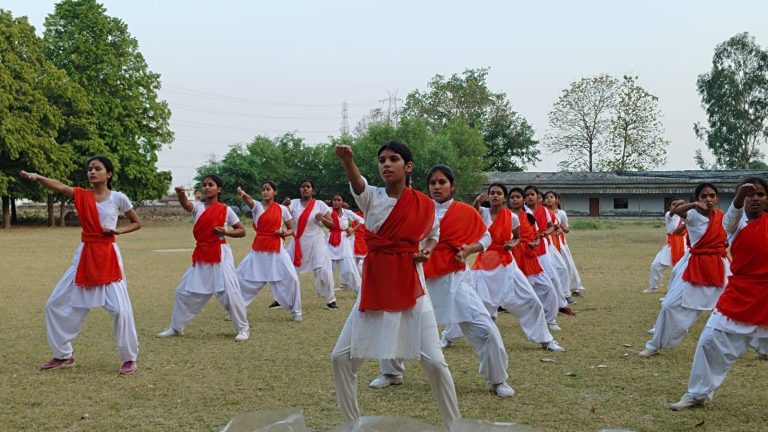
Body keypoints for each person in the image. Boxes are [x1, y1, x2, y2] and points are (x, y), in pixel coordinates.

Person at [330, 141, 460, 428]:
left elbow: (433, 233)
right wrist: (348, 161)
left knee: (436, 364)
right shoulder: (372, 198)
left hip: (412, 288)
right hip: (375, 288)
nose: (386, 164)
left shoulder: (424, 204)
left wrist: (426, 248)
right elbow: (358, 183)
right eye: (382, 160)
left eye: (394, 159)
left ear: (408, 166)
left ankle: (454, 425)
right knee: (340, 359)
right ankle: (351, 425)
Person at [369, 166, 516, 397]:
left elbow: (485, 236)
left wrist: (470, 249)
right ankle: (390, 372)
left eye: (442, 182)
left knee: (484, 328)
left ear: (452, 185)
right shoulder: (415, 209)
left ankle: (498, 380)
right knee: (395, 323)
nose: (437, 186)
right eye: (433, 183)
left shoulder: (466, 212)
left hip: (453, 279)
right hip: (416, 278)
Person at [21, 156, 141, 375]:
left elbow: (136, 222)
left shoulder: (118, 198)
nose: (92, 172)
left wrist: (118, 231)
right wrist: (38, 177)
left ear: (109, 174)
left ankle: (129, 358)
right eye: (89, 169)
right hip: (85, 254)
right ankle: (63, 354)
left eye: (98, 168)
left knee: (121, 310)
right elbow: (59, 185)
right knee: (54, 304)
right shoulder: (82, 195)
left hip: (108, 255)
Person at [670, 178, 768, 409]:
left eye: (760, 194)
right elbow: (731, 219)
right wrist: (738, 199)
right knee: (709, 341)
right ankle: (698, 394)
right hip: (741, 292)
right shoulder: (734, 222)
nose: (755, 198)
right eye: (749, 194)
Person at [442, 184, 565, 352]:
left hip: (507, 263)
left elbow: (516, 237)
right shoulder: (482, 213)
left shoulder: (512, 217)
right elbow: (473, 214)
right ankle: (447, 337)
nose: (495, 196)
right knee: (469, 304)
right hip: (484, 264)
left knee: (531, 300)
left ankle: (545, 339)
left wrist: (511, 244)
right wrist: (477, 200)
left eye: (499, 193)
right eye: (492, 193)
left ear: (504, 197)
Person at [639, 183, 730, 358]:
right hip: (696, 265)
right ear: (698, 199)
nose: (708, 199)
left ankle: (761, 345)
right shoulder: (693, 215)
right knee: (668, 305)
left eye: (712, 196)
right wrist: (694, 205)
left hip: (720, 265)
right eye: (703, 196)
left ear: (717, 199)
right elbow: (678, 211)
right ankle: (654, 344)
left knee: (739, 304)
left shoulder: (722, 217)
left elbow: (727, 238)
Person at [157, 175, 251, 342]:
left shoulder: (225, 209)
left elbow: (242, 230)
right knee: (182, 291)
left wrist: (226, 232)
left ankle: (243, 328)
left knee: (230, 292)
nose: (207, 187)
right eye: (205, 185)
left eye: (211, 185)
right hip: (201, 253)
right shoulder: (198, 207)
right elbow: (186, 205)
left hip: (220, 252)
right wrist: (180, 193)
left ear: (219, 189)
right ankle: (177, 327)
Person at [235, 183, 302, 321]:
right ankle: (237, 308)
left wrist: (283, 232)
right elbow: (248, 199)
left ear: (275, 192)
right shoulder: (257, 206)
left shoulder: (282, 209)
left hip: (277, 248)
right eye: (263, 189)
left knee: (293, 278)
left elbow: (292, 229)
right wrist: (242, 193)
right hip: (259, 248)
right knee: (239, 276)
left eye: (268, 189)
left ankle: (296, 312)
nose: (265, 192)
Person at [507, 188, 562, 330]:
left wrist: (536, 242)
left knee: (548, 288)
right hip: (511, 258)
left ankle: (550, 320)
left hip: (530, 257)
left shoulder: (530, 217)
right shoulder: (504, 216)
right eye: (512, 197)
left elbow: (536, 235)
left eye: (518, 196)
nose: (515, 199)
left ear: (523, 200)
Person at [281, 180, 338, 310]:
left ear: (312, 190)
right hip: (297, 242)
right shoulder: (294, 203)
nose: (305, 189)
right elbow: (279, 214)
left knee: (323, 270)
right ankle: (282, 298)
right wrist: (282, 206)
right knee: (287, 269)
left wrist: (322, 219)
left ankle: (331, 299)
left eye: (308, 186)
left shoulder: (320, 205)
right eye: (302, 187)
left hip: (316, 241)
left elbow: (333, 225)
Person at [524, 186, 574, 316]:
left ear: (537, 196)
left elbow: (552, 226)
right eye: (527, 195)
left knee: (553, 275)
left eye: (532, 194)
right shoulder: (521, 212)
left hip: (542, 248)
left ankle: (562, 304)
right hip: (524, 249)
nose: (530, 197)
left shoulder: (544, 211)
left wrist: (545, 232)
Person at [545, 191, 586, 297]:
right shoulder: (543, 212)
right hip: (547, 242)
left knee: (568, 265)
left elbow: (567, 229)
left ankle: (573, 288)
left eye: (551, 197)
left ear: (557, 200)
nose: (549, 199)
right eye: (547, 197)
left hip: (560, 242)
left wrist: (560, 227)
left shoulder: (561, 213)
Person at [644, 198, 688, 294]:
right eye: (674, 204)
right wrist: (678, 206)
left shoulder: (687, 217)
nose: (676, 206)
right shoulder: (669, 215)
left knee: (679, 270)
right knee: (655, 265)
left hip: (682, 246)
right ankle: (654, 286)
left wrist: (689, 220)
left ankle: (675, 290)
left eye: (680, 205)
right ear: (670, 207)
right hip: (669, 245)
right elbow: (673, 212)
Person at [324, 193, 364, 292]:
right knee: (328, 267)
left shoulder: (347, 212)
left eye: (339, 200)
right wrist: (325, 204)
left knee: (350, 267)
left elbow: (361, 220)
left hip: (344, 240)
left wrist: (353, 230)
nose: (336, 202)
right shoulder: (328, 211)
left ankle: (359, 289)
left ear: (342, 202)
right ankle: (326, 290)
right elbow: (319, 211)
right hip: (331, 239)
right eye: (334, 200)